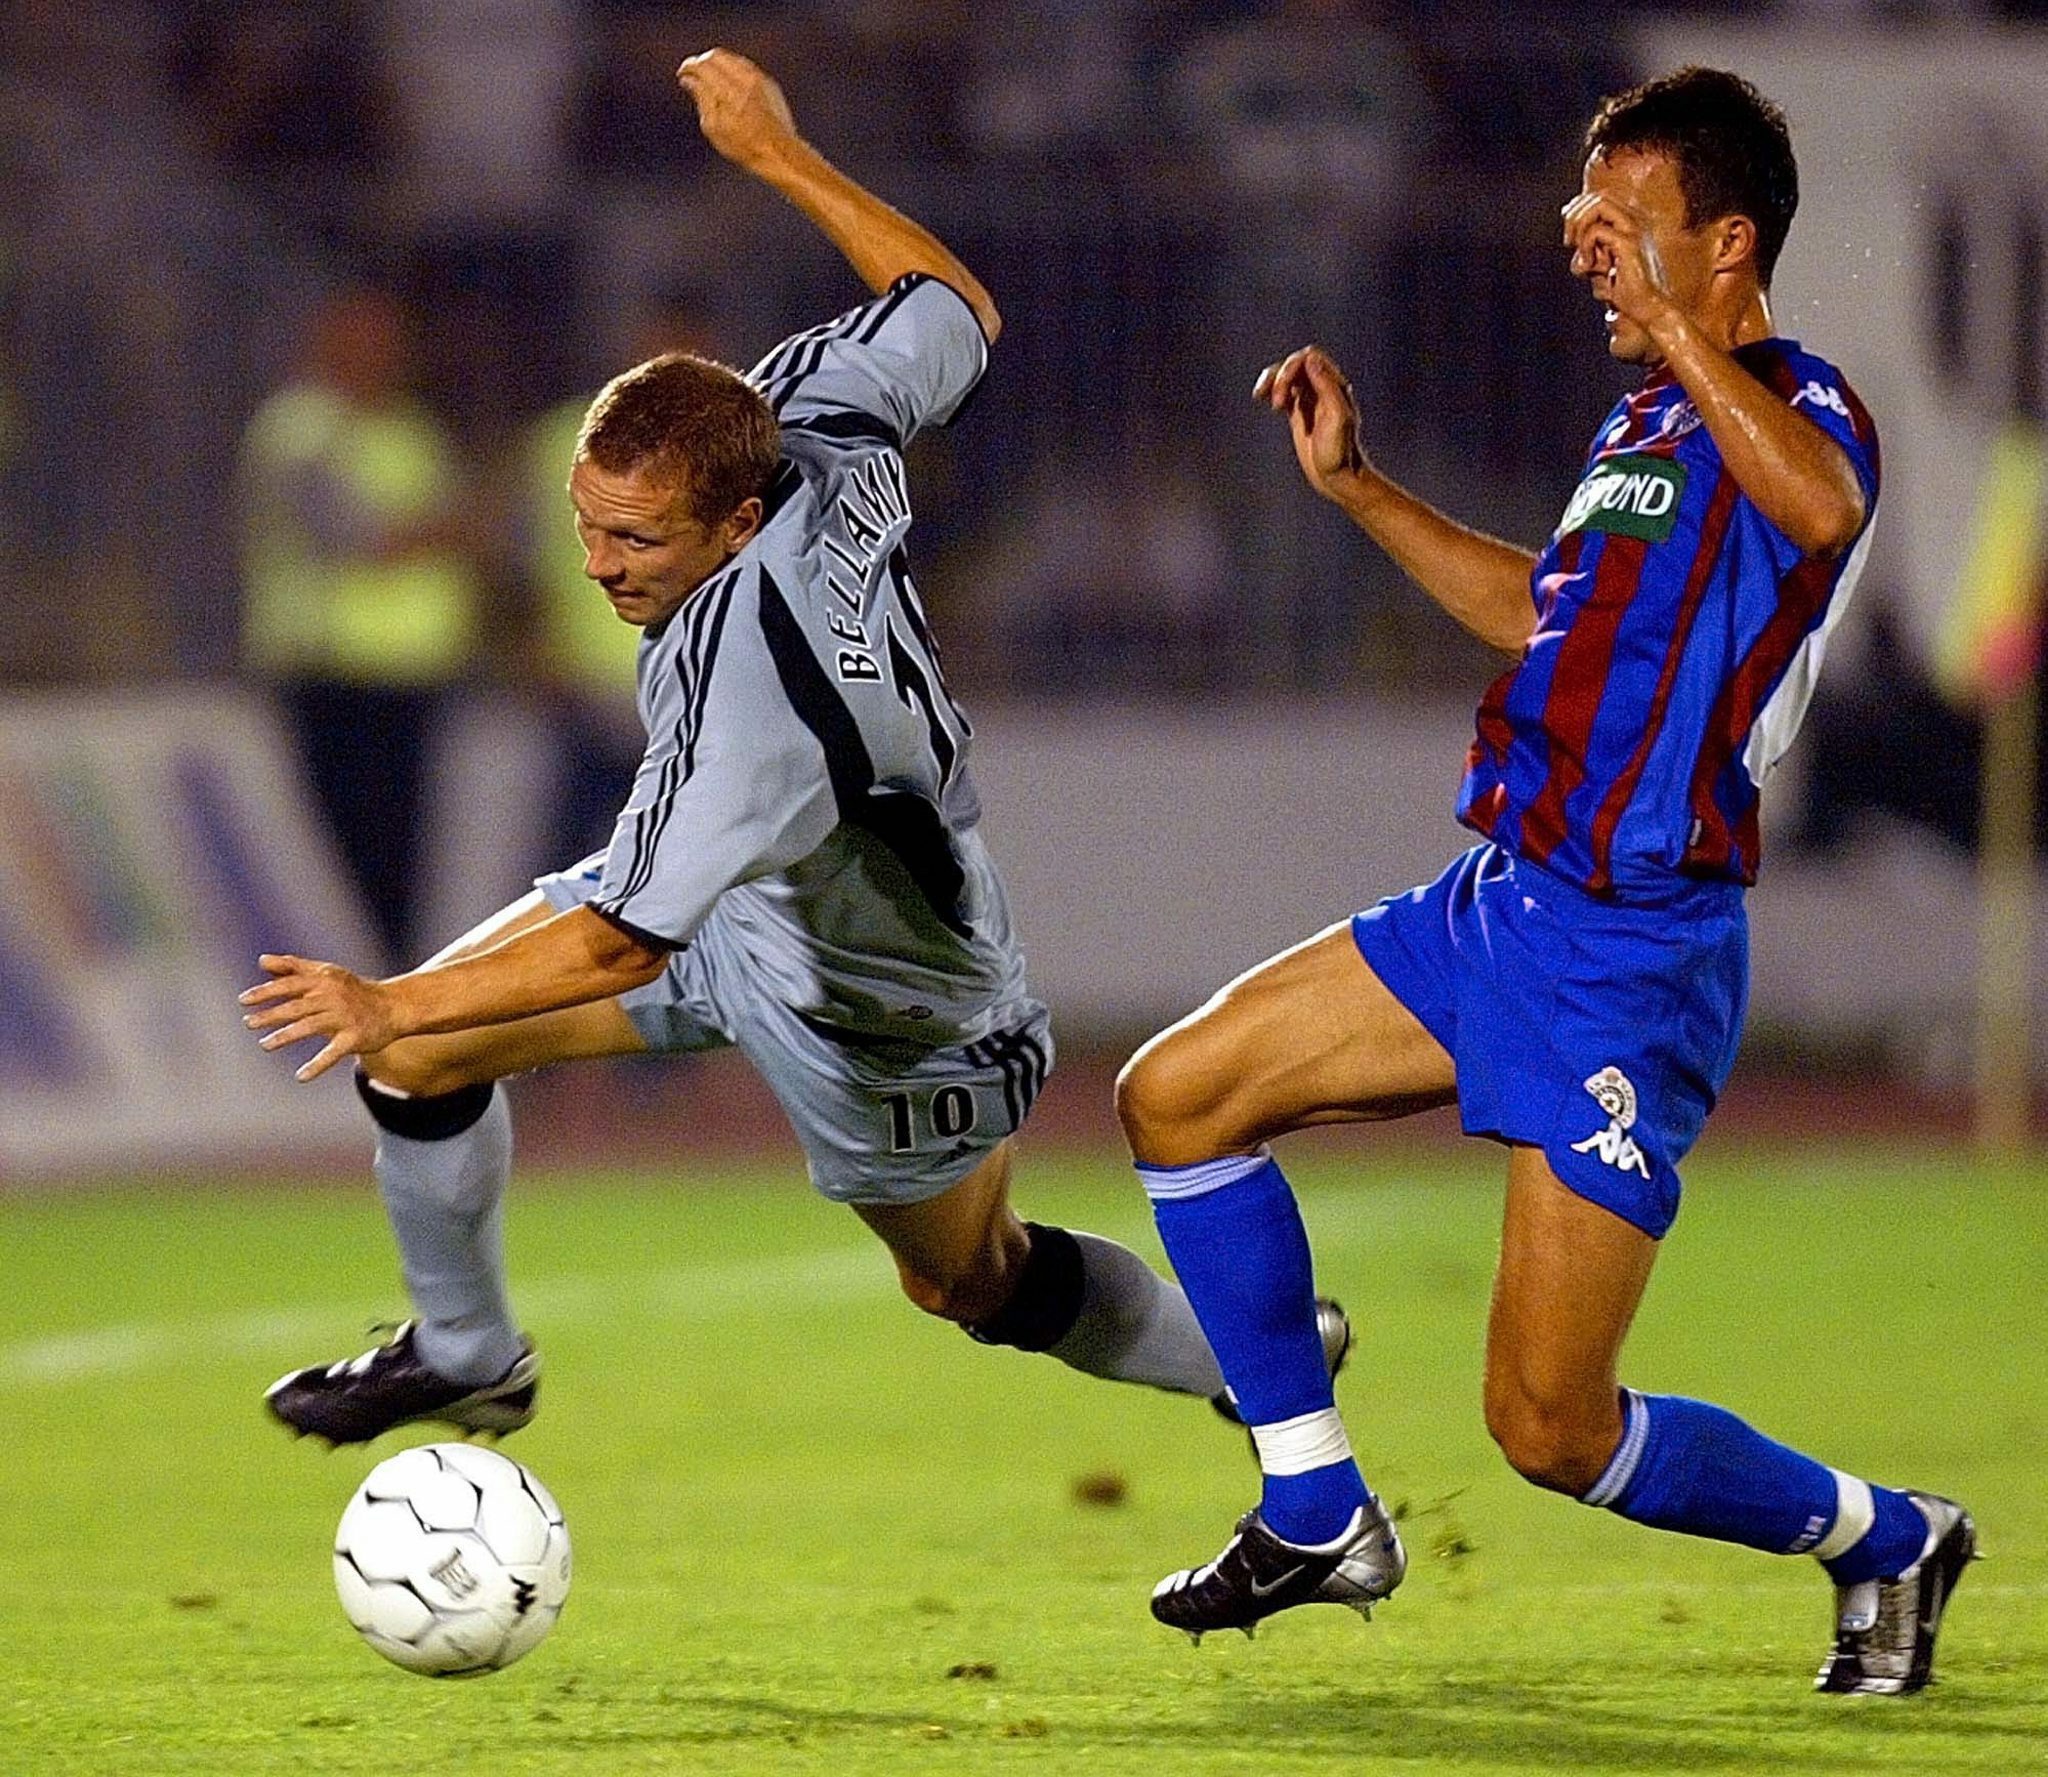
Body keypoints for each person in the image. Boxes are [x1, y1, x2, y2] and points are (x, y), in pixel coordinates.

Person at [242, 49, 1345, 1458]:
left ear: (740, 524)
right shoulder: (805, 416)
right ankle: (470, 1356)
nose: (598, 565)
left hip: (886, 994)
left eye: (634, 542)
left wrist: (392, 996)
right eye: (588, 524)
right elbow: (955, 306)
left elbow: (623, 946)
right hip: (752, 894)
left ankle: (1264, 1363)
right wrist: (780, 155)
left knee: (970, 1279)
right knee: (424, 1064)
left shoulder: (761, 702)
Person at [1115, 67, 1974, 1697]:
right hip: (1494, 903)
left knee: (1547, 1426)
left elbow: (1819, 510)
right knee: (1175, 1096)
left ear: (1726, 244)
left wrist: (1674, 335)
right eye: (1583, 221)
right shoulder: (1644, 418)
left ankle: (1884, 1535)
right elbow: (1545, 613)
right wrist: (1356, 487)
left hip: (1630, 956)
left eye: (1625, 226)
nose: (1586, 250)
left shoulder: (1799, 408)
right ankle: (1312, 1506)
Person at [237, 285, 480, 966]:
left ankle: (383, 1002)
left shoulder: (407, 428)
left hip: (409, 683)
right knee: (331, 865)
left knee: (399, 871)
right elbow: (358, 540)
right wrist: (451, 527)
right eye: (365, 337)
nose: (382, 354)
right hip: (331, 681)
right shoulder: (300, 432)